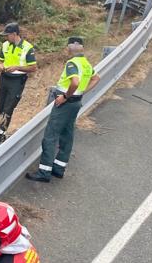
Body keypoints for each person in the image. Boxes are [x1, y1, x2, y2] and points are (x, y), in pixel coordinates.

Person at [25, 36, 99, 183]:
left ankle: (44, 172)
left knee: (51, 136)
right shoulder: (85, 63)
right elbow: (96, 78)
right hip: (76, 103)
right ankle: (59, 169)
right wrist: (82, 92)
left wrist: (65, 96)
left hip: (65, 104)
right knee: (67, 135)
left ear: (68, 48)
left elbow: (75, 82)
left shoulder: (72, 63)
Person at [0, 22, 37, 147]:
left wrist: (17, 67)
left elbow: (33, 68)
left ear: (14, 34)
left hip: (17, 81)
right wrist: (0, 66)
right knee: (1, 107)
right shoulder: (5, 45)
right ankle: (1, 131)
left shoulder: (27, 48)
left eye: (7, 35)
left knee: (8, 109)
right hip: (4, 79)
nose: (6, 38)